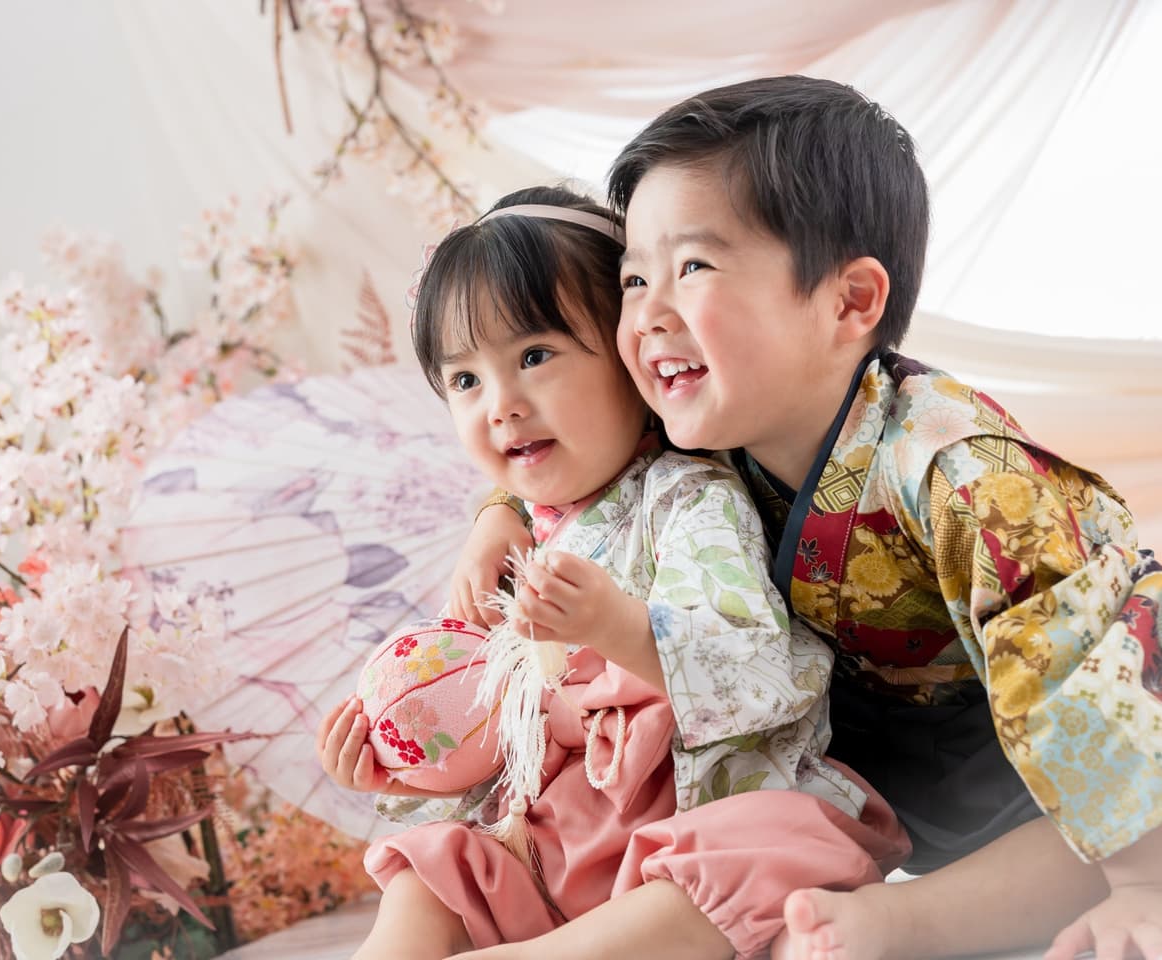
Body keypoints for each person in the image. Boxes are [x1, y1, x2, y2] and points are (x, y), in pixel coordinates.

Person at [459, 76, 1162, 960]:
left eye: (692, 267)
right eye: (634, 278)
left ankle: (906, 922)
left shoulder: (963, 472)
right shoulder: (708, 423)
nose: (646, 316)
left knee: (1085, 835)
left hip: (1077, 723)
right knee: (744, 831)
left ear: (850, 302)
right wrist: (501, 511)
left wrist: (1144, 885)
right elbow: (587, 448)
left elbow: (1080, 673)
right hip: (887, 759)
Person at [317, 185, 908, 960]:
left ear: (632, 358)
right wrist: (417, 766)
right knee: (436, 872)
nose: (501, 405)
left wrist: (615, 627)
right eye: (465, 381)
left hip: (681, 830)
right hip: (559, 850)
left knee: (773, 844)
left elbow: (759, 670)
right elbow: (507, 740)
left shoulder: (686, 499)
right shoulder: (509, 546)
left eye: (535, 357)